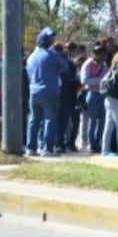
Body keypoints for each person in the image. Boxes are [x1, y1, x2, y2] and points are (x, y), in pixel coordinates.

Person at [25, 27, 68, 156]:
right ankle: (47, 149)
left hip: (34, 91)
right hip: (50, 90)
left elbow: (29, 73)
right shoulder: (52, 54)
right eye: (51, 38)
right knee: (49, 119)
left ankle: (31, 148)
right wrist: (55, 71)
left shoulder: (31, 56)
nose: (53, 40)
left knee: (34, 119)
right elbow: (65, 67)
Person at [100, 45, 118, 156]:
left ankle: (105, 150)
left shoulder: (112, 69)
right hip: (117, 100)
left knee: (109, 125)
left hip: (108, 98)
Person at [80, 43, 108, 153]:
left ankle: (98, 142)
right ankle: (91, 144)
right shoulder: (88, 64)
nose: (103, 56)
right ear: (96, 54)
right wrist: (100, 80)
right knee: (92, 120)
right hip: (92, 93)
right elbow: (85, 80)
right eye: (101, 54)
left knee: (102, 120)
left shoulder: (104, 65)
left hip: (102, 94)